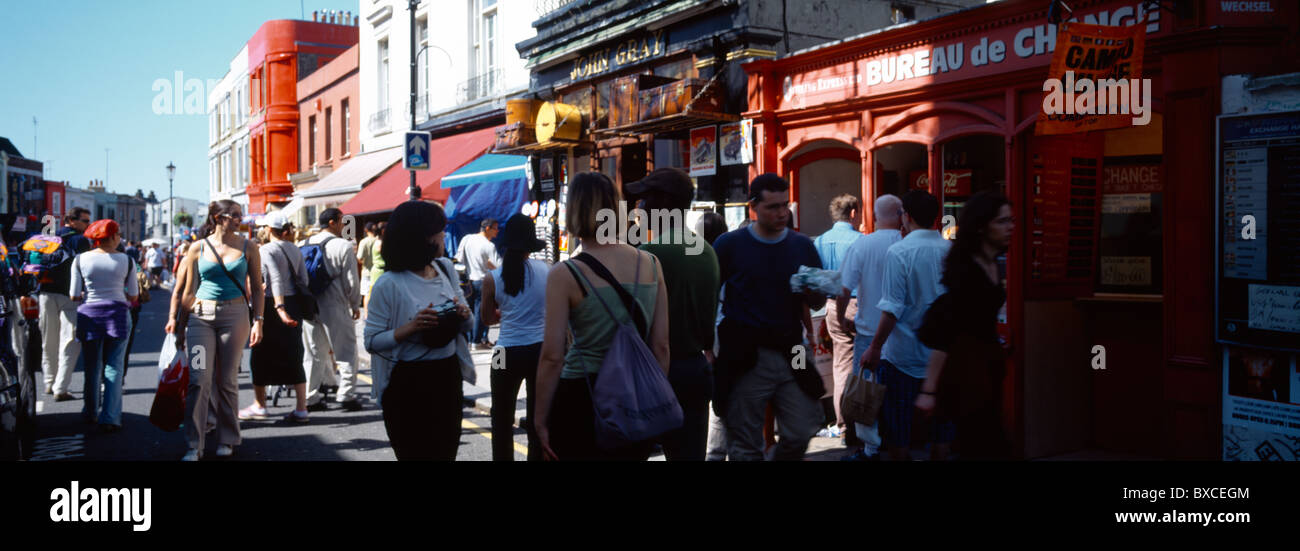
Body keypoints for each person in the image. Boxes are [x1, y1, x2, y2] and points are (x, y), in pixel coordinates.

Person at [535, 172, 670, 461]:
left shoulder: (565, 273)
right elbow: (661, 347)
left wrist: (540, 419)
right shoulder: (651, 263)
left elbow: (552, 356)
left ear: (574, 210)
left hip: (581, 396)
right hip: (635, 395)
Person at [712, 174, 826, 461]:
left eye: (785, 205)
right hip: (746, 352)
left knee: (803, 429)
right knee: (744, 441)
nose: (782, 213)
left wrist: (814, 290)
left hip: (793, 348)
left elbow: (817, 300)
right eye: (772, 207)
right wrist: (708, 349)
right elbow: (709, 297)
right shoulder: (729, 245)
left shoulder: (802, 246)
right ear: (753, 207)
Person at [364, 201, 471, 460]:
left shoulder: (445, 268)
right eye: (439, 231)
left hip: (447, 376)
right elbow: (371, 341)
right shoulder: (388, 284)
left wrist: (463, 314)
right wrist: (412, 327)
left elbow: (469, 323)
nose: (444, 236)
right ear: (421, 237)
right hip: (408, 383)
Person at [627, 168, 719, 461]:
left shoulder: (647, 253)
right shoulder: (706, 250)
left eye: (645, 198)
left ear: (663, 201)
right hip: (695, 369)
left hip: (654, 371)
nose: (640, 207)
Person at [915, 191, 1014, 460]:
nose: (1010, 228)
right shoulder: (966, 272)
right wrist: (929, 390)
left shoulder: (993, 262)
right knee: (982, 443)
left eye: (1010, 221)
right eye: (1002, 222)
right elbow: (944, 336)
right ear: (982, 226)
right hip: (968, 370)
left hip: (987, 365)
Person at [859, 190, 954, 462]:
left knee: (898, 432)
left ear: (906, 217)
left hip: (902, 357)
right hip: (942, 356)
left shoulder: (899, 252)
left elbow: (891, 309)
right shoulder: (950, 250)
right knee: (941, 433)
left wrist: (874, 347)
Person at [170, 200, 264, 461]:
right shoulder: (197, 248)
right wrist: (180, 326)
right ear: (216, 217)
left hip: (235, 317)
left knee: (227, 381)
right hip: (201, 318)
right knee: (198, 380)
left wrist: (259, 320)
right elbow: (188, 291)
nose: (238, 219)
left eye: (239, 214)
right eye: (232, 215)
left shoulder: (249, 246)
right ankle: (194, 444)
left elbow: (257, 287)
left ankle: (228, 438)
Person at [836, 194, 903, 461]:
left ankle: (871, 448)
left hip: (867, 331)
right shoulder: (906, 244)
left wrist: (842, 319)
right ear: (901, 214)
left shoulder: (863, 246)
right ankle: (900, 444)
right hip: (901, 333)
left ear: (875, 216)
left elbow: (843, 288)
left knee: (865, 392)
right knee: (899, 393)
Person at [479, 214, 548, 461]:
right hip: (539, 350)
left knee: (501, 416)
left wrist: (504, 312)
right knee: (538, 415)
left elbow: (486, 319)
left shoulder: (493, 278)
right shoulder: (546, 271)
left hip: (504, 351)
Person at [241, 212, 311, 423]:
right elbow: (304, 279)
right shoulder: (295, 249)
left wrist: (279, 306)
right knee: (294, 354)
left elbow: (276, 277)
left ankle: (260, 405)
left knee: (260, 354)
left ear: (270, 230)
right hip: (294, 304)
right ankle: (301, 408)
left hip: (272, 306)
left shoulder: (266, 249)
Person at [70, 220, 138, 433]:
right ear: (115, 236)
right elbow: (134, 295)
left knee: (92, 366)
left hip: (90, 314)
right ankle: (110, 417)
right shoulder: (127, 260)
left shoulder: (80, 259)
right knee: (114, 366)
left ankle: (90, 411)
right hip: (117, 313)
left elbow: (74, 295)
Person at [813, 194, 863, 452]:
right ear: (853, 213)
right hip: (861, 304)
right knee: (867, 365)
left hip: (833, 305)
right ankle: (866, 424)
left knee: (842, 365)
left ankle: (844, 426)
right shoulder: (861, 240)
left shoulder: (820, 241)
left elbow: (819, 281)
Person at [301, 208, 363, 412]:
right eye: (342, 221)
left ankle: (310, 397)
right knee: (345, 350)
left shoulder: (303, 244)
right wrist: (355, 304)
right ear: (333, 223)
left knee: (313, 352)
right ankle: (346, 394)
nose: (344, 226)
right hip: (334, 303)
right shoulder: (343, 246)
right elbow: (352, 281)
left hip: (309, 304)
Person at [41, 207, 92, 401]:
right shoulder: (79, 240)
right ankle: (60, 387)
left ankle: (48, 382)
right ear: (72, 220)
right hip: (70, 295)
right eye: (85, 221)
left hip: (45, 292)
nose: (87, 225)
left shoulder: (49, 236)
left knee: (48, 340)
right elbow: (84, 267)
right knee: (70, 341)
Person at [695, 212, 731, 461]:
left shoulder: (696, 259)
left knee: (712, 403)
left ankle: (714, 453)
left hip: (700, 341)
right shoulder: (725, 259)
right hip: (722, 338)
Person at [455, 218, 501, 350]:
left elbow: (458, 259)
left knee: (470, 312)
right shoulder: (488, 245)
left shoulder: (467, 239)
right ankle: (477, 341)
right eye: (495, 228)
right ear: (487, 228)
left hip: (467, 282)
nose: (497, 231)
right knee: (482, 312)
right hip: (483, 281)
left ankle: (471, 340)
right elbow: (499, 267)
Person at [358, 222, 378, 308]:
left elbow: (359, 257)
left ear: (366, 230)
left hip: (367, 272)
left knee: (367, 295)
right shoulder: (379, 240)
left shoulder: (364, 242)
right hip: (378, 271)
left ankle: (366, 315)